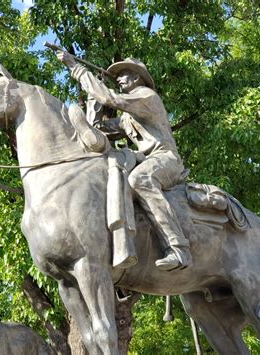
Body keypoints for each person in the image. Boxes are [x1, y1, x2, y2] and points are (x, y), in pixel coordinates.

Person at [57, 51, 192, 271]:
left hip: (166, 159)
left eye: (123, 75)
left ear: (137, 78)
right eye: (116, 76)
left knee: (140, 179)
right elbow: (97, 129)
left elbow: (111, 98)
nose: (118, 79)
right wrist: (93, 99)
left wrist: (77, 69)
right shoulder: (128, 117)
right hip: (147, 158)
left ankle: (178, 248)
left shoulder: (146, 97)